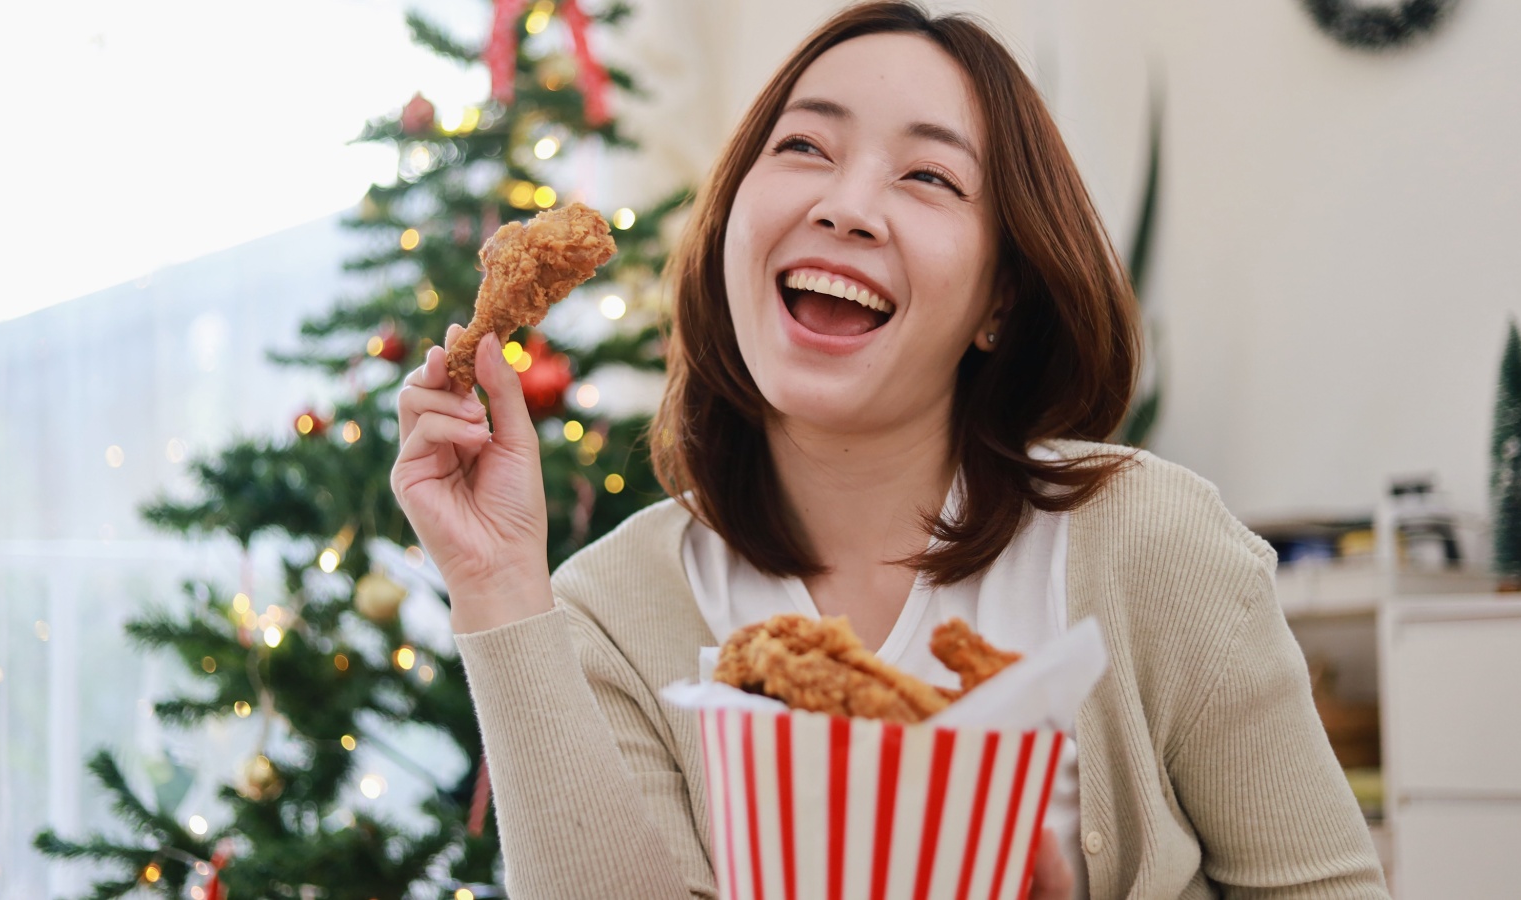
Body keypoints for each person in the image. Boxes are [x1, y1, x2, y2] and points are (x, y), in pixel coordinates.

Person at [392, 2, 1390, 898]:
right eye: (804, 149)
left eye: (927, 175)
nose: (846, 206)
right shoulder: (610, 611)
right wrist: (494, 586)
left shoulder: (1150, 543)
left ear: (999, 297)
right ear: (733, 222)